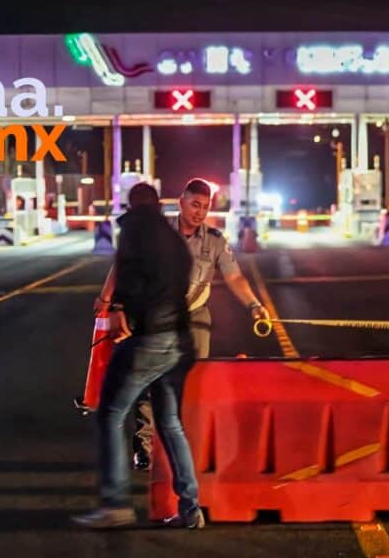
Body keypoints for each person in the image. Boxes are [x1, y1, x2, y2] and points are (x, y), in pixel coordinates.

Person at [95, 178, 269, 470]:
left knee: (194, 382)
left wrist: (254, 304)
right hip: (157, 316)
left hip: (195, 316)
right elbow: (123, 264)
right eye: (195, 204)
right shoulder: (159, 233)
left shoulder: (214, 241)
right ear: (181, 202)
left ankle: (188, 443)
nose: (199, 212)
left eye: (205, 206)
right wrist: (107, 299)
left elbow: (235, 277)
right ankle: (146, 445)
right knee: (148, 384)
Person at [72, 183, 204, 529]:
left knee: (111, 413)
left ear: (131, 205)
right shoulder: (173, 239)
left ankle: (115, 502)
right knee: (170, 423)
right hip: (180, 341)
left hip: (152, 339)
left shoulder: (134, 233)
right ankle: (191, 508)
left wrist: (117, 309)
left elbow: (127, 278)